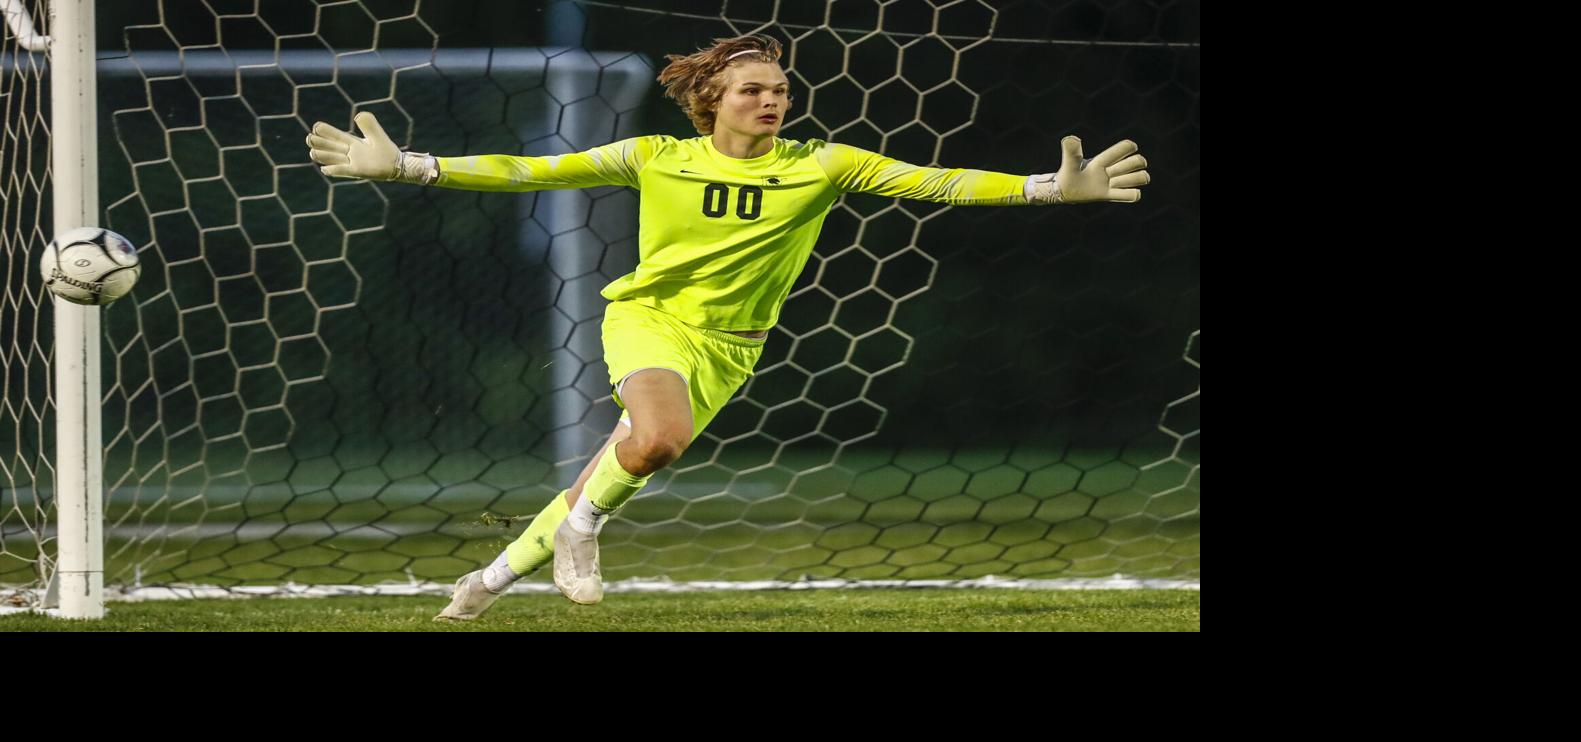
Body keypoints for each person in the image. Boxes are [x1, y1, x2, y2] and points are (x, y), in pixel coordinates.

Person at [305, 35, 1150, 620]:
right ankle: (582, 533)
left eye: (780, 89)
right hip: (650, 320)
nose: (772, 99)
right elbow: (530, 169)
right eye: (754, 89)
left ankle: (484, 583)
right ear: (714, 100)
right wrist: (414, 165)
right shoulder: (654, 156)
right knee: (659, 439)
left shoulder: (820, 164)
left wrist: (1047, 187)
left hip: (732, 348)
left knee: (625, 461)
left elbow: (935, 182)